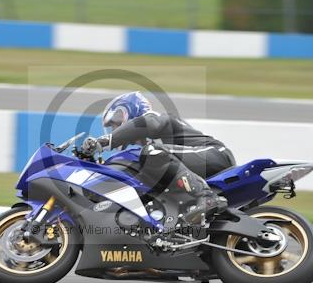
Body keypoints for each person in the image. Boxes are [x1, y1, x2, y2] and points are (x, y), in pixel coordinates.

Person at [81, 92, 235, 225]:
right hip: (196, 165)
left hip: (214, 154)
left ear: (130, 111)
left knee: (151, 152)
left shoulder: (154, 119)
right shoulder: (151, 155)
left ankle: (206, 197)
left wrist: (106, 141)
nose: (114, 129)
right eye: (111, 128)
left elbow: (146, 124)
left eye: (115, 124)